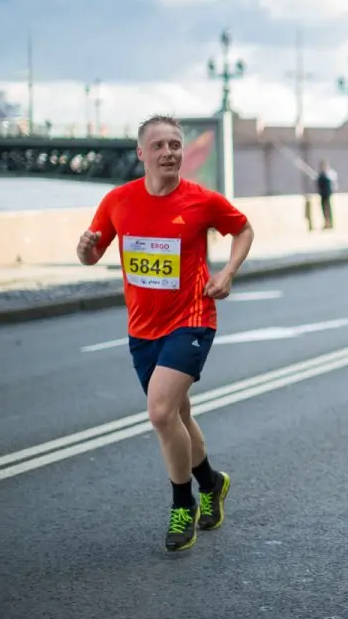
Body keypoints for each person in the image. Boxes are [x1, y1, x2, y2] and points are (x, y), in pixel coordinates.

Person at [76, 114, 255, 552]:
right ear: (142, 153)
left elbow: (243, 229)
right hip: (142, 328)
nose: (169, 152)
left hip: (192, 320)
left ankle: (182, 504)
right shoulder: (118, 201)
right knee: (178, 416)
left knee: (160, 413)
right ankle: (212, 483)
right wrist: (85, 251)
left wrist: (227, 273)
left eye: (175, 144)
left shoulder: (201, 201)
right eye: (159, 145)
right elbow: (93, 253)